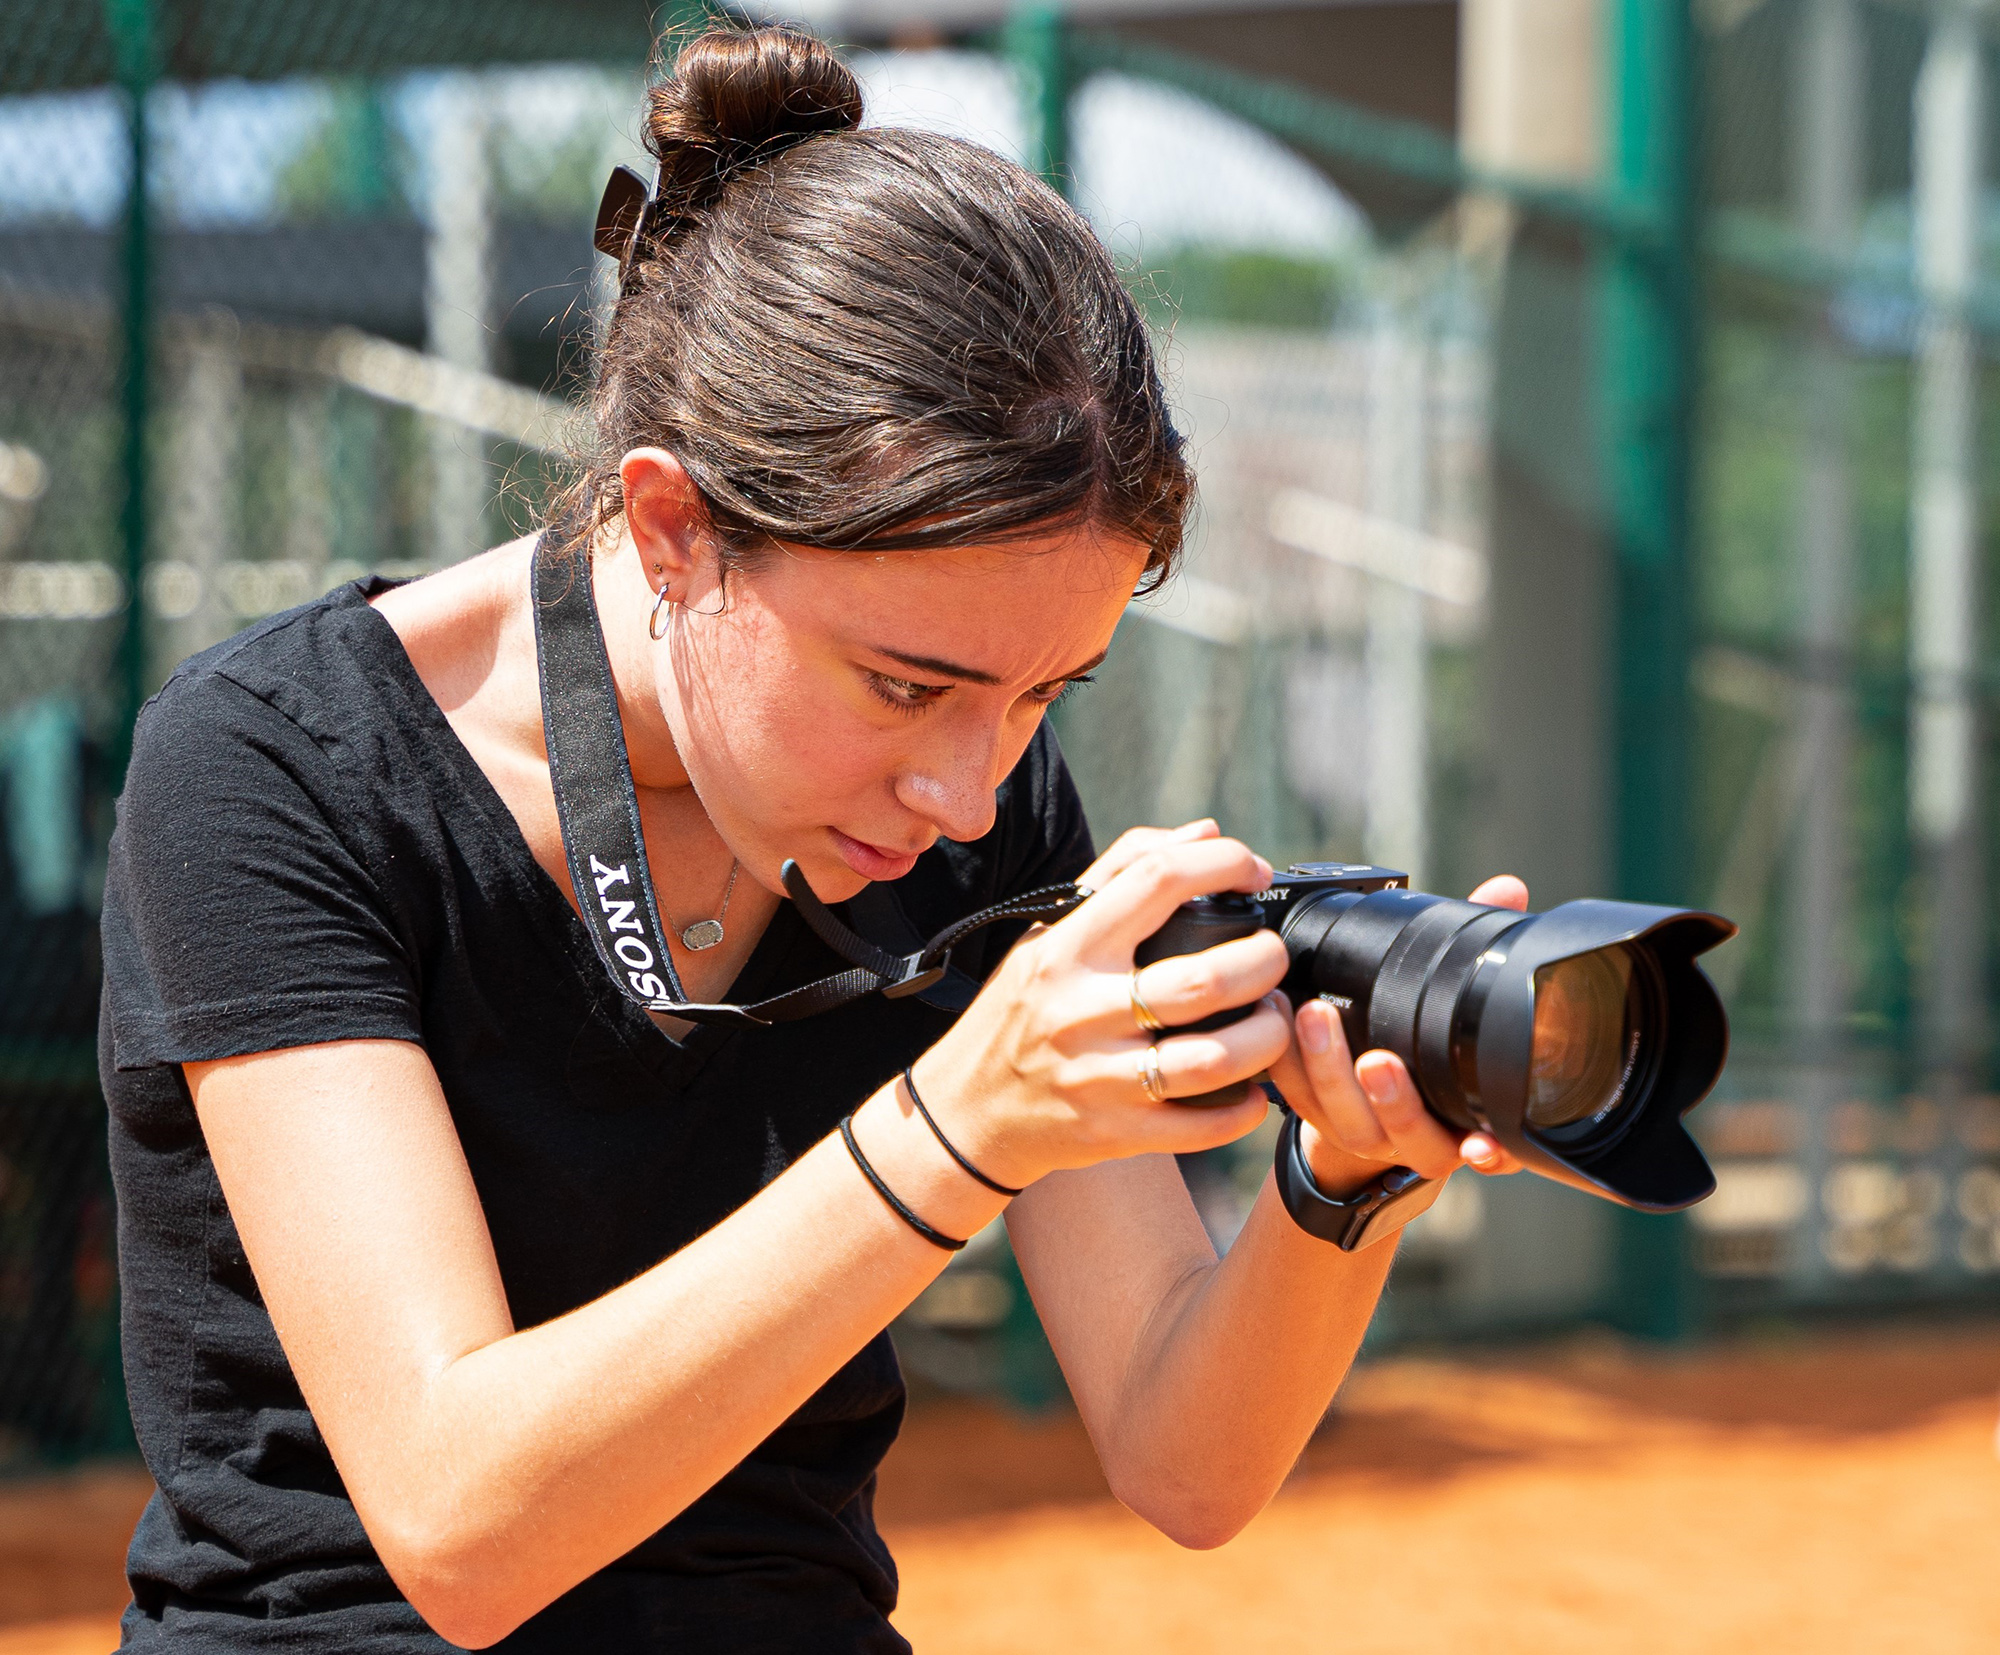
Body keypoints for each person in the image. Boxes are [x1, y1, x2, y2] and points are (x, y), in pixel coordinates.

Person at [100, 24, 1525, 1652]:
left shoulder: (968, 808)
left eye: (1048, 694)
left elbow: (1184, 1457)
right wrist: (957, 1126)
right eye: (907, 684)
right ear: (672, 525)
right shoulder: (275, 763)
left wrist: (1338, 1184)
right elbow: (459, 1526)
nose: (970, 796)